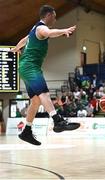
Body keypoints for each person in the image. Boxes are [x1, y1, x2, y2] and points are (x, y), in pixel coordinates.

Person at [12, 5, 80, 146]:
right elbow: (49, 33)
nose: (55, 19)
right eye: (54, 16)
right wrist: (64, 31)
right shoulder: (41, 28)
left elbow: (24, 40)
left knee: (36, 101)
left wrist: (16, 48)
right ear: (48, 15)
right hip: (30, 67)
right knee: (44, 94)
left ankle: (26, 131)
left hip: (26, 67)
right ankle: (58, 121)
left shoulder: (33, 29)